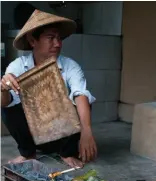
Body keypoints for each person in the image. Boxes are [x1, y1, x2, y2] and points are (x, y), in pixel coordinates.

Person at [1, 9, 97, 168]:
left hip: (63, 136)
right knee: (6, 106)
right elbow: (5, 102)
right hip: (34, 135)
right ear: (33, 41)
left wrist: (87, 131)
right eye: (50, 38)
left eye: (59, 38)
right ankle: (28, 153)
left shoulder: (70, 66)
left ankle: (66, 153)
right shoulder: (18, 66)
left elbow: (81, 95)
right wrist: (3, 89)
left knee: (83, 101)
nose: (57, 43)